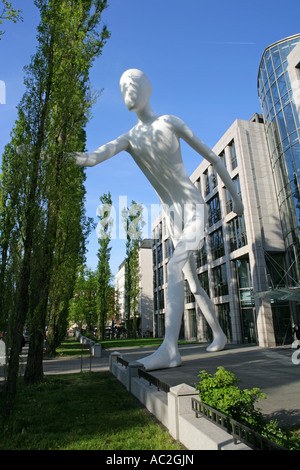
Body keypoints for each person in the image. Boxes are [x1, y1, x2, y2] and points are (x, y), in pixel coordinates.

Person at [75, 69, 243, 371]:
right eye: (122, 87)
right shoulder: (129, 138)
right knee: (191, 283)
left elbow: (214, 158)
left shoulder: (169, 122)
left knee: (176, 265)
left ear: (146, 89)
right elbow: (92, 157)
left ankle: (169, 349)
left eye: (132, 85)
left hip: (193, 208)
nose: (127, 91)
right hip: (172, 217)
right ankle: (219, 333)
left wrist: (237, 199)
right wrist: (50, 155)